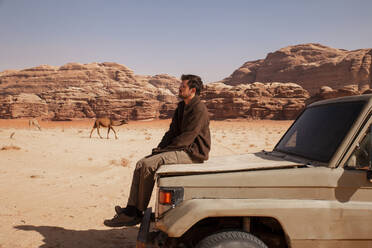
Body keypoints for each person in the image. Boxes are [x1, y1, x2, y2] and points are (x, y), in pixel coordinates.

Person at [104, 74, 211, 227]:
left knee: (149, 165)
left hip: (193, 153)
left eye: (183, 87)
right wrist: (159, 148)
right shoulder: (182, 107)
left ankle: (137, 213)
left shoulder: (199, 109)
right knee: (141, 163)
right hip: (180, 148)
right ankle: (131, 209)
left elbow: (187, 137)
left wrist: (165, 151)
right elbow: (172, 132)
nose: (179, 89)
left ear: (192, 90)